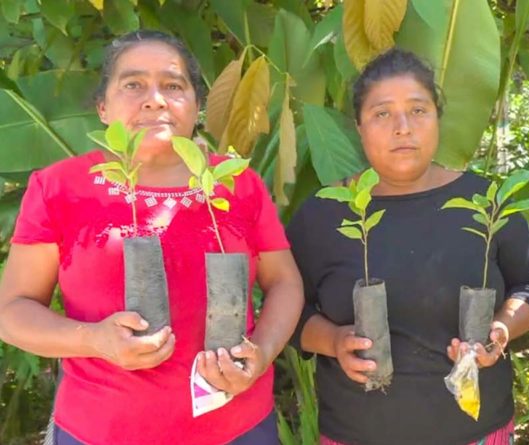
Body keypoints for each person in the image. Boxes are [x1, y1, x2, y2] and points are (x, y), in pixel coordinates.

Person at [0, 30, 303, 445]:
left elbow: (284, 282)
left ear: (196, 106)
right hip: (99, 431)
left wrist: (263, 351)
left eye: (173, 86)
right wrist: (94, 340)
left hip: (239, 428)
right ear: (103, 108)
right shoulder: (59, 188)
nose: (155, 98)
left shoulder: (237, 185)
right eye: (133, 84)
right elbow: (12, 311)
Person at [286, 48, 529, 445]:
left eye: (418, 110)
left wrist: (501, 329)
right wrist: (333, 342)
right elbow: (288, 307)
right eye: (382, 114)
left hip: (476, 430)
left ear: (437, 118)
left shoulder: (487, 204)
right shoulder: (323, 214)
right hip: (357, 433)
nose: (402, 127)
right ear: (358, 127)